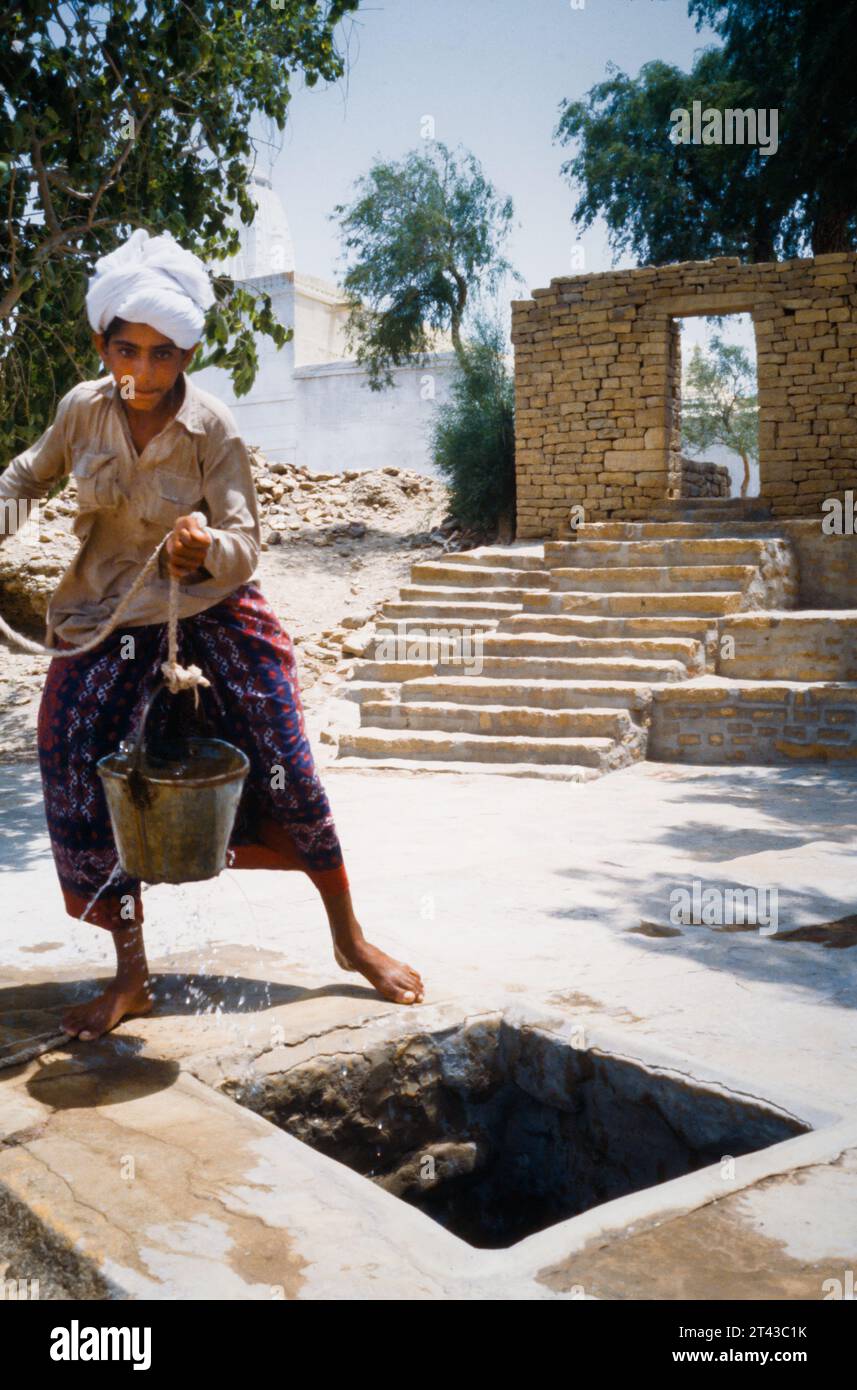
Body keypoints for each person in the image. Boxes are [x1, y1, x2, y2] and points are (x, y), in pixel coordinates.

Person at [0, 227, 424, 1040]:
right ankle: (132, 975)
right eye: (129, 350)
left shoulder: (215, 428)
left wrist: (205, 552)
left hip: (211, 613)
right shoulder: (81, 413)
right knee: (73, 757)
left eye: (164, 355)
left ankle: (348, 941)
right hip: (103, 616)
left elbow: (245, 544)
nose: (145, 372)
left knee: (287, 765)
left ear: (187, 353)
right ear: (103, 345)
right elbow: (26, 477)